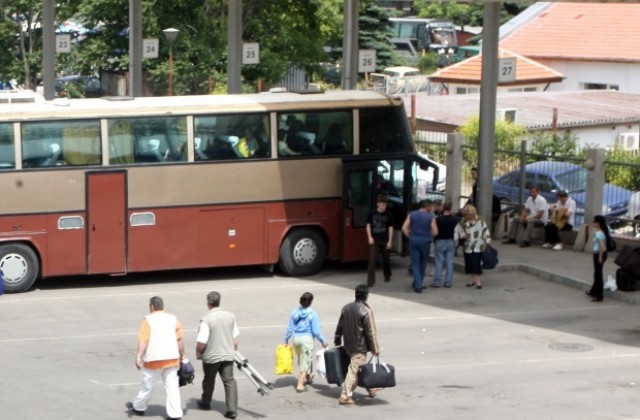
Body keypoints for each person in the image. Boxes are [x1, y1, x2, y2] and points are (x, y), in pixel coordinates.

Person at [126, 296, 185, 420]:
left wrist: (138, 355)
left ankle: (139, 407)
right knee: (172, 387)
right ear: (163, 307)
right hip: (171, 358)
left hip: (154, 359)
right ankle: (175, 414)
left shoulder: (148, 320)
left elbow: (143, 340)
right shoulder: (173, 319)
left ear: (151, 307)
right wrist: (182, 354)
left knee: (147, 385)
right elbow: (179, 339)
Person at [195, 291, 239, 420]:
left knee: (209, 380)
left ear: (208, 303)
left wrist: (198, 353)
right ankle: (232, 410)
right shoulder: (230, 316)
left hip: (211, 356)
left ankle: (206, 402)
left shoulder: (207, 319)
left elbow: (202, 341)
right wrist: (233, 351)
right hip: (228, 354)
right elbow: (235, 339)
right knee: (229, 381)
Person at [334, 284, 380, 405]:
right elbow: (371, 332)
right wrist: (375, 348)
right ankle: (345, 396)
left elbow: (340, 325)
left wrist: (337, 338)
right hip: (359, 347)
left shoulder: (346, 308)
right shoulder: (366, 311)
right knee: (354, 371)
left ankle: (372, 388)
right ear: (366, 296)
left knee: (358, 368)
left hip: (348, 345)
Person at [283, 292, 328, 393]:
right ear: (311, 302)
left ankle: (308, 378)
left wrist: (286, 339)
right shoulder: (313, 314)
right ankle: (300, 385)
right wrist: (323, 341)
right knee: (305, 361)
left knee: (304, 358)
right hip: (306, 340)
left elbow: (290, 328)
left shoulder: (295, 312)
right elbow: (316, 331)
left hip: (296, 340)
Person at [402, 199, 438, 293]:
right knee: (423, 263)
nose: (431, 208)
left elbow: (404, 227)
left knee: (415, 263)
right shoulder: (430, 216)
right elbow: (435, 231)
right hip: (425, 242)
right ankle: (419, 284)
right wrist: (430, 237)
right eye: (431, 206)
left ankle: (417, 283)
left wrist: (410, 236)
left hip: (414, 241)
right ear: (427, 206)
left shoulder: (412, 214)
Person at [455, 205, 491, 289]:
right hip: (467, 246)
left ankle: (478, 281)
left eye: (469, 215)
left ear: (473, 214)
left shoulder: (480, 221)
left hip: (478, 245)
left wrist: (488, 240)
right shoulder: (462, 221)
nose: (468, 217)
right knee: (469, 264)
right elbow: (458, 231)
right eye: (467, 215)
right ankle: (471, 280)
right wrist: (463, 235)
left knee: (476, 264)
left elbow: (485, 231)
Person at [366, 195, 394, 286]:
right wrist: (370, 237)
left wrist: (390, 241)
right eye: (382, 205)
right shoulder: (372, 214)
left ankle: (387, 275)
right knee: (372, 259)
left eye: (385, 205)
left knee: (386, 259)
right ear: (378, 204)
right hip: (374, 239)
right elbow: (368, 226)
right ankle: (370, 281)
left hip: (384, 239)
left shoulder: (389, 215)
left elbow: (390, 228)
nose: (383, 207)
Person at [432, 202, 458, 288]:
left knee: (438, 262)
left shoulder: (438, 219)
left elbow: (435, 231)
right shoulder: (455, 219)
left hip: (440, 241)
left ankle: (436, 282)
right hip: (450, 241)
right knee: (449, 262)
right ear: (450, 208)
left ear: (443, 208)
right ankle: (448, 282)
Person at [586, 215, 610, 302]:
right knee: (597, 274)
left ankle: (599, 295)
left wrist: (600, 257)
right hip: (602, 254)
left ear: (598, 223)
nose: (593, 223)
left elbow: (602, 247)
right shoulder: (603, 231)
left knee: (598, 275)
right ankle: (593, 291)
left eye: (594, 221)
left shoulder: (599, 233)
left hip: (598, 254)